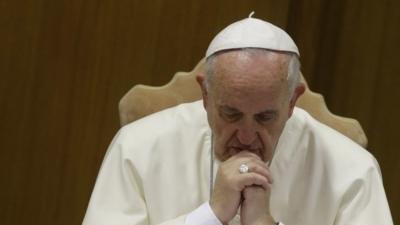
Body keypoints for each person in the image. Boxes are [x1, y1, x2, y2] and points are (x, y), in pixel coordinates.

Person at [83, 13, 393, 225]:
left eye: (265, 117)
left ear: (292, 101)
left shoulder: (352, 169)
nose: (246, 136)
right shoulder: (138, 146)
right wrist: (211, 215)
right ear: (205, 94)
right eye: (230, 114)